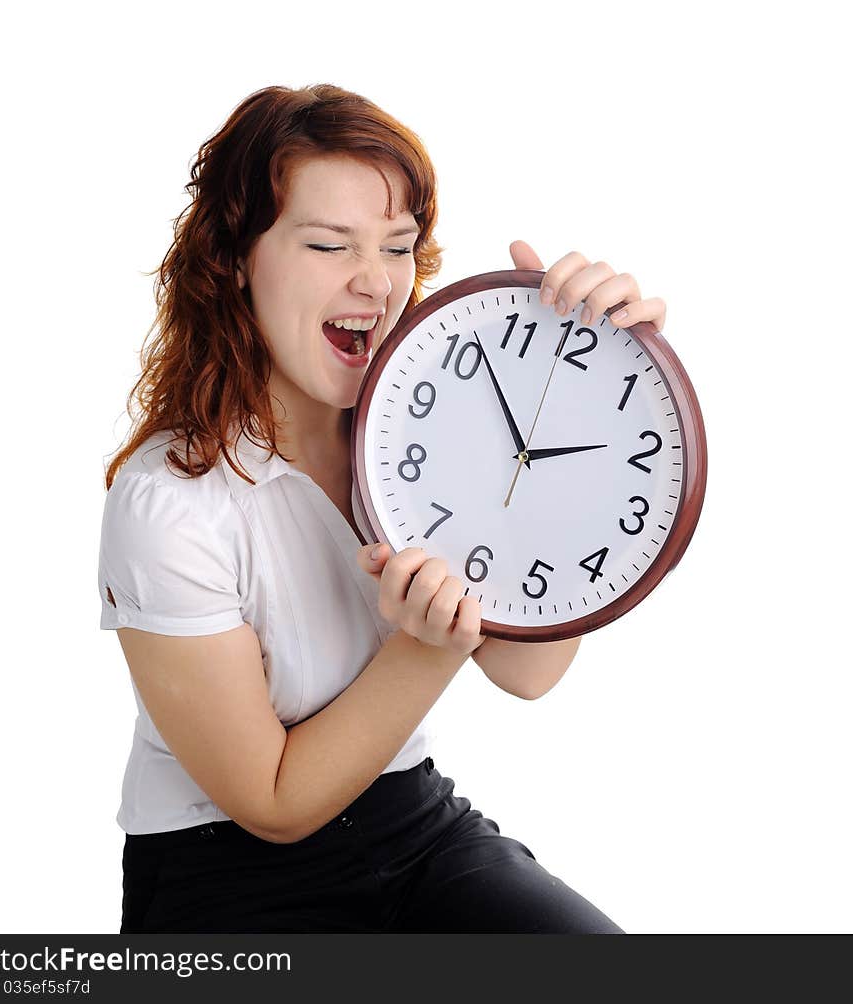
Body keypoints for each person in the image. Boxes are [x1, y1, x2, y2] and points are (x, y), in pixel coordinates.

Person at [99, 83, 663, 933]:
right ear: (234, 261)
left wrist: (580, 377)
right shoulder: (169, 502)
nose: (374, 282)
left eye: (398, 247)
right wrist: (425, 650)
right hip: (225, 877)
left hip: (413, 829)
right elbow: (273, 802)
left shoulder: (430, 426)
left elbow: (529, 670)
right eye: (329, 245)